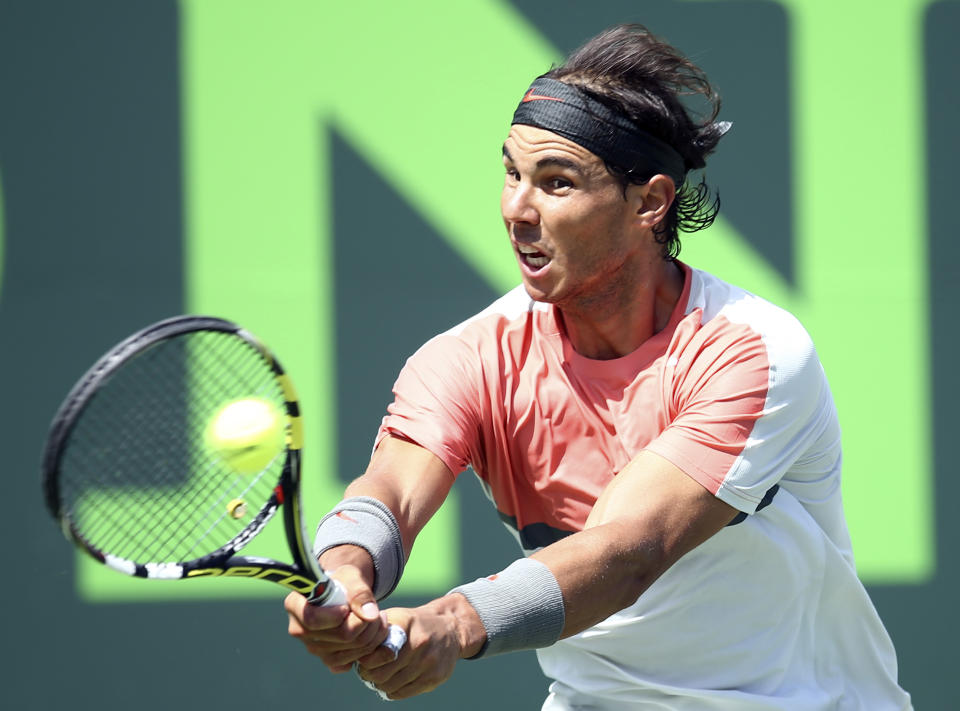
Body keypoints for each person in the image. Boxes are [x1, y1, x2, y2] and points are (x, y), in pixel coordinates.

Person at [284, 24, 912, 709]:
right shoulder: (469, 356)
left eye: (557, 183)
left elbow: (628, 549)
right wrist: (347, 578)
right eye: (511, 173)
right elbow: (392, 491)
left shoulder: (752, 351)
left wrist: (455, 620)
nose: (517, 209)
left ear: (649, 203)